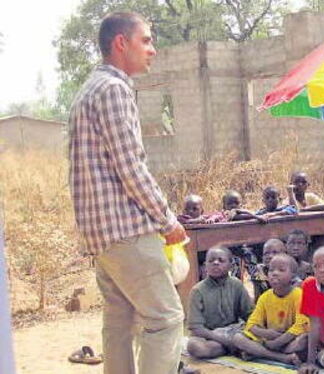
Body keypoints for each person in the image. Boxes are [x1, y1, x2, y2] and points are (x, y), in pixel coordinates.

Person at [68, 12, 188, 374]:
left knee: (119, 324)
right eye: (146, 40)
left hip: (102, 237)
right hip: (128, 232)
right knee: (166, 319)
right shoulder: (114, 89)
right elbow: (130, 167)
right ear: (121, 43)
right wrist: (168, 221)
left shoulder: (90, 88)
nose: (153, 49)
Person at [233, 254, 309, 365]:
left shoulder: (299, 295)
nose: (274, 273)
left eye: (281, 270)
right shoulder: (265, 297)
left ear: (293, 276)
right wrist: (268, 333)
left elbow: (301, 325)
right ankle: (281, 358)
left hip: (289, 340)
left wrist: (278, 341)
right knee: (237, 338)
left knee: (305, 340)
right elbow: (251, 324)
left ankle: (258, 352)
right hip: (269, 340)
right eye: (271, 270)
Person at [187, 246, 254, 359]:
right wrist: (224, 340)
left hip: (234, 331)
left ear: (231, 266)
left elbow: (249, 314)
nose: (216, 263)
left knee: (258, 334)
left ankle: (240, 347)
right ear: (205, 266)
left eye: (221, 260)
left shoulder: (236, 284)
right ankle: (240, 349)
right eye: (211, 261)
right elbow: (196, 328)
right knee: (195, 347)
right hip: (210, 335)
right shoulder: (197, 290)